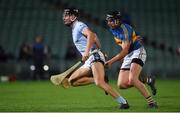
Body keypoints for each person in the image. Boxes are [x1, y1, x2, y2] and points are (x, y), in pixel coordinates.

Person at [59, 8, 129, 109]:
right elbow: (95, 36)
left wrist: (88, 52)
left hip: (94, 56)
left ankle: (123, 102)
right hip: (90, 59)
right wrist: (100, 48)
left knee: (99, 83)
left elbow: (91, 35)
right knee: (72, 81)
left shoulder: (79, 25)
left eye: (66, 15)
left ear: (73, 17)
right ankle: (98, 79)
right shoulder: (75, 28)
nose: (64, 18)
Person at [105, 11, 158, 108]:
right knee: (122, 84)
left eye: (111, 20)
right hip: (128, 54)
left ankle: (152, 103)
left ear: (118, 20)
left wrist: (110, 62)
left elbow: (125, 50)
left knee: (133, 79)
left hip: (138, 52)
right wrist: (132, 40)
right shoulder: (112, 29)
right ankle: (148, 80)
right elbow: (124, 47)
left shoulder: (125, 30)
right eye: (108, 20)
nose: (109, 23)